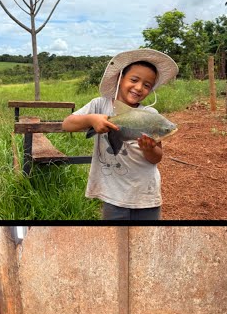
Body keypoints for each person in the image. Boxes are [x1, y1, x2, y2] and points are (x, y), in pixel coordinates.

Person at [61, 49, 178, 220]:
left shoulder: (150, 114)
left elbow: (156, 158)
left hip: (146, 194)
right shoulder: (99, 105)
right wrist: (91, 119)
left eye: (147, 85)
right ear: (120, 78)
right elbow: (67, 124)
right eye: (134, 80)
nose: (139, 88)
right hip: (113, 195)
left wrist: (149, 149)